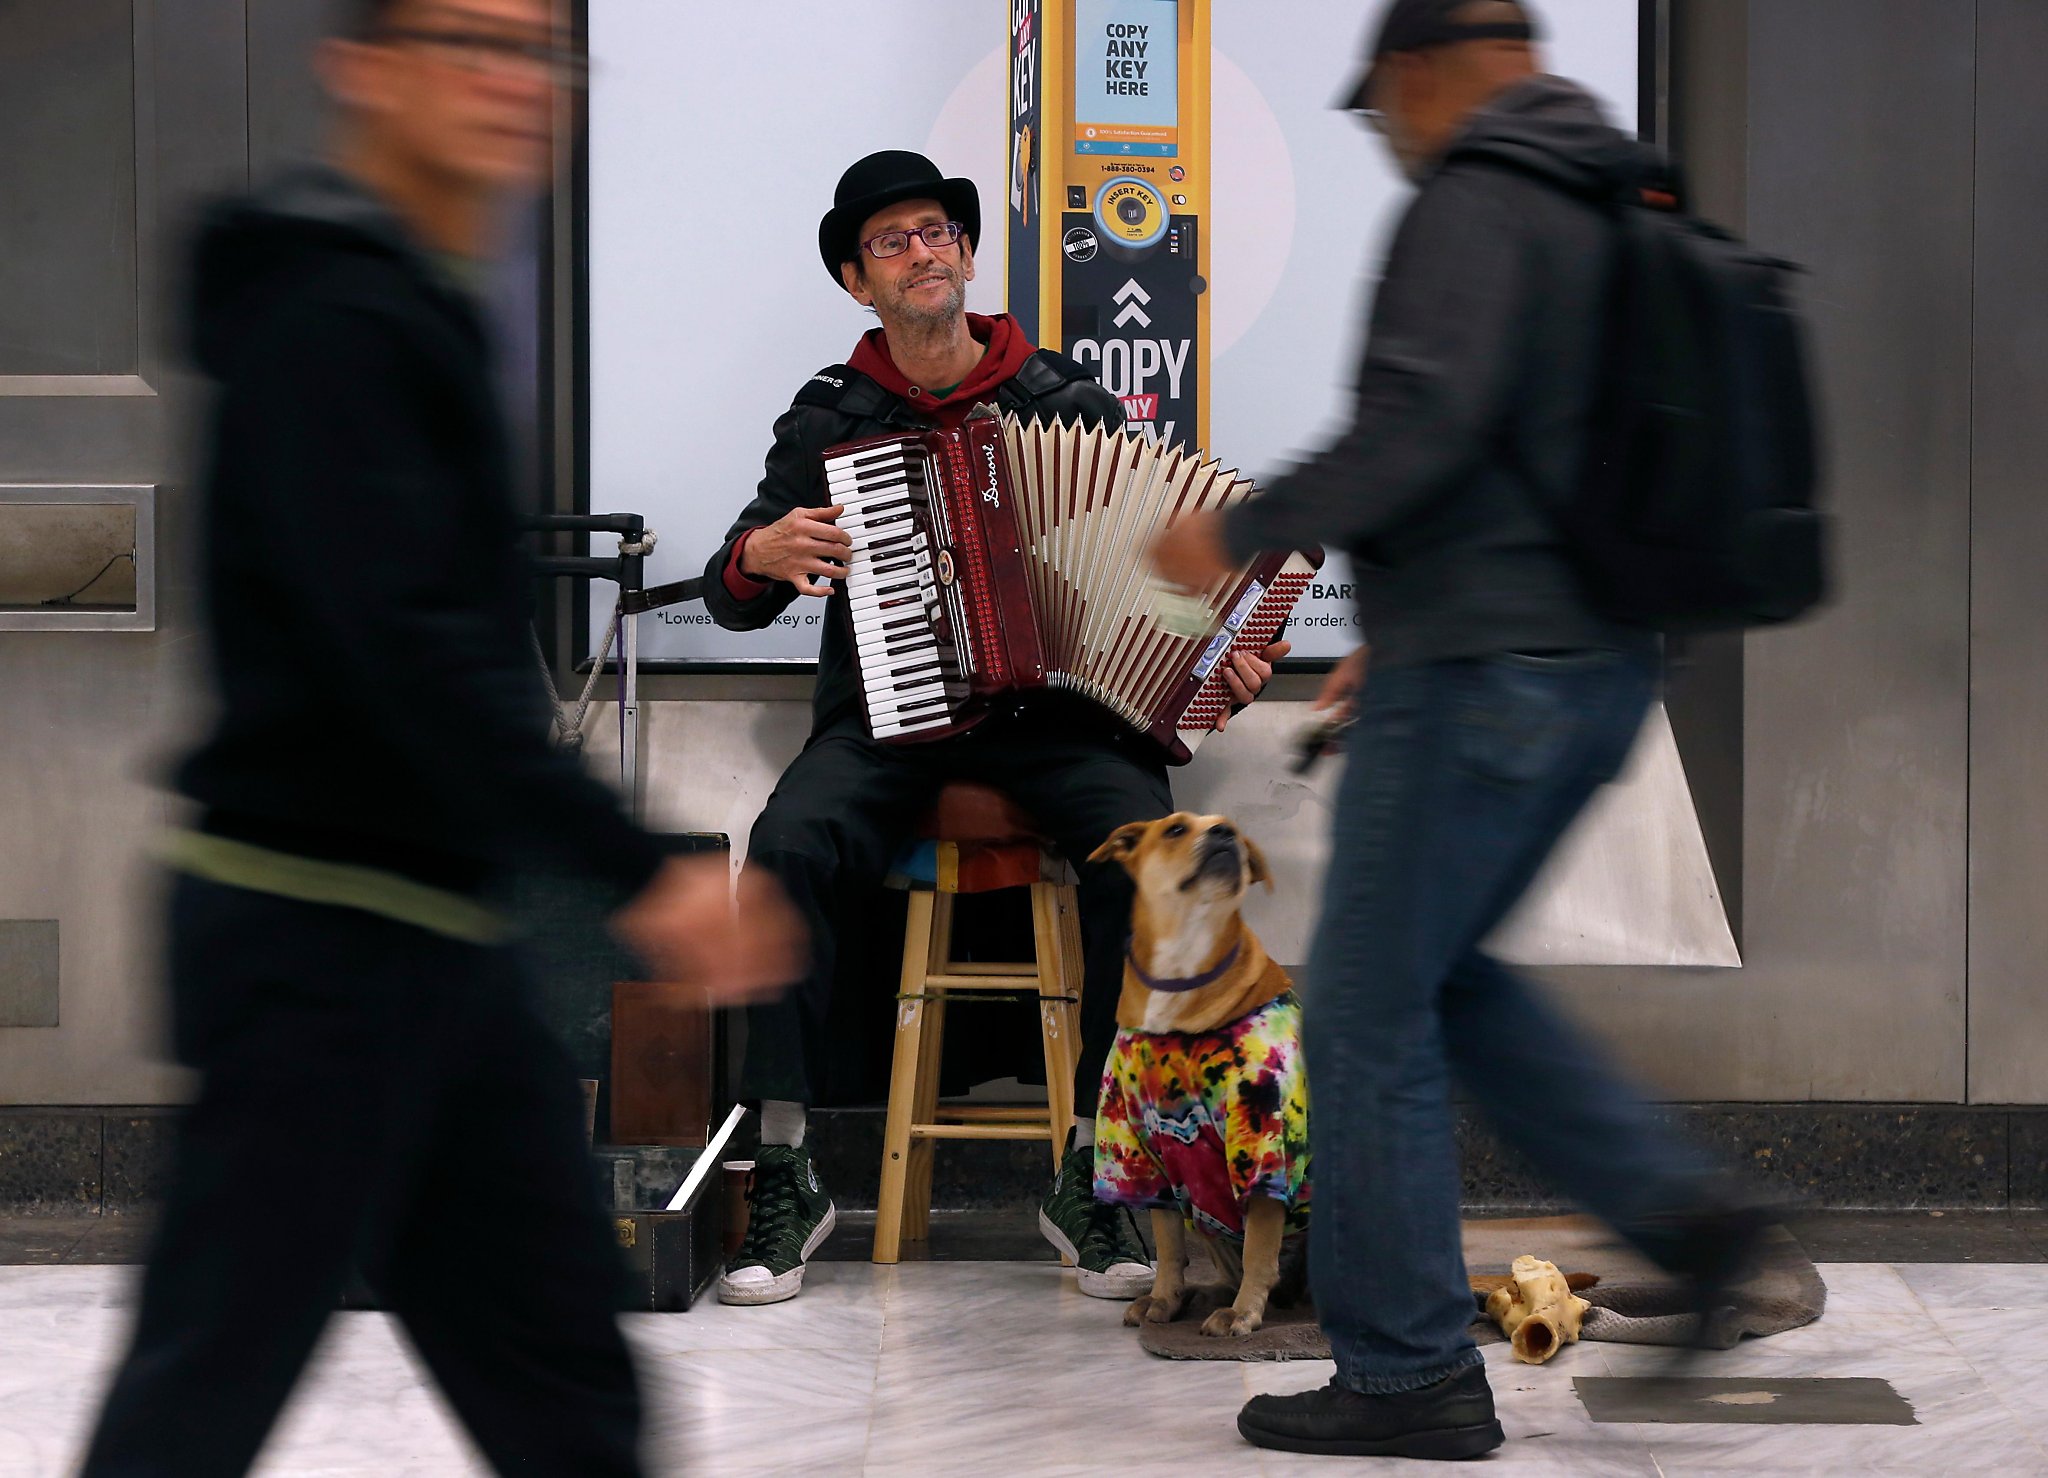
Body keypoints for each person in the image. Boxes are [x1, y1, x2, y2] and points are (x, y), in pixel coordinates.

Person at [78, 3, 799, 1474]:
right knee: (204, 1392)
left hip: (431, 949)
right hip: (309, 945)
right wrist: (630, 864)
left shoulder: (420, 295)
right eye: (464, 38)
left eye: (537, 50)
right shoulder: (325, 309)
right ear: (364, 64)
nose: (510, 80)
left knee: (567, 1388)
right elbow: (402, 646)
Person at [1153, 0, 1770, 1461]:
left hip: (1483, 676)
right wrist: (1407, 624)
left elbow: (1420, 427)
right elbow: (1528, 458)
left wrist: (1239, 529)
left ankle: (1409, 1366)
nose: (1387, 136)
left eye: (1379, 111)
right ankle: (1695, 1222)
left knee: (1367, 1009)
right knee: (1442, 982)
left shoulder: (1481, 198)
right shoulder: (1610, 189)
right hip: (1587, 662)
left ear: (1421, 72)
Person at [701, 149, 1290, 1307]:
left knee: (1156, 859)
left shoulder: (1059, 400)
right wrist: (754, 553)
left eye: (938, 233)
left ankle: (1096, 1170)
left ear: (965, 255)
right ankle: (785, 1163)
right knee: (784, 851)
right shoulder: (830, 418)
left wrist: (1224, 657)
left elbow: (1162, 579)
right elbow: (737, 596)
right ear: (854, 280)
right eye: (892, 240)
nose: (924, 252)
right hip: (886, 719)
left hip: (1050, 717)